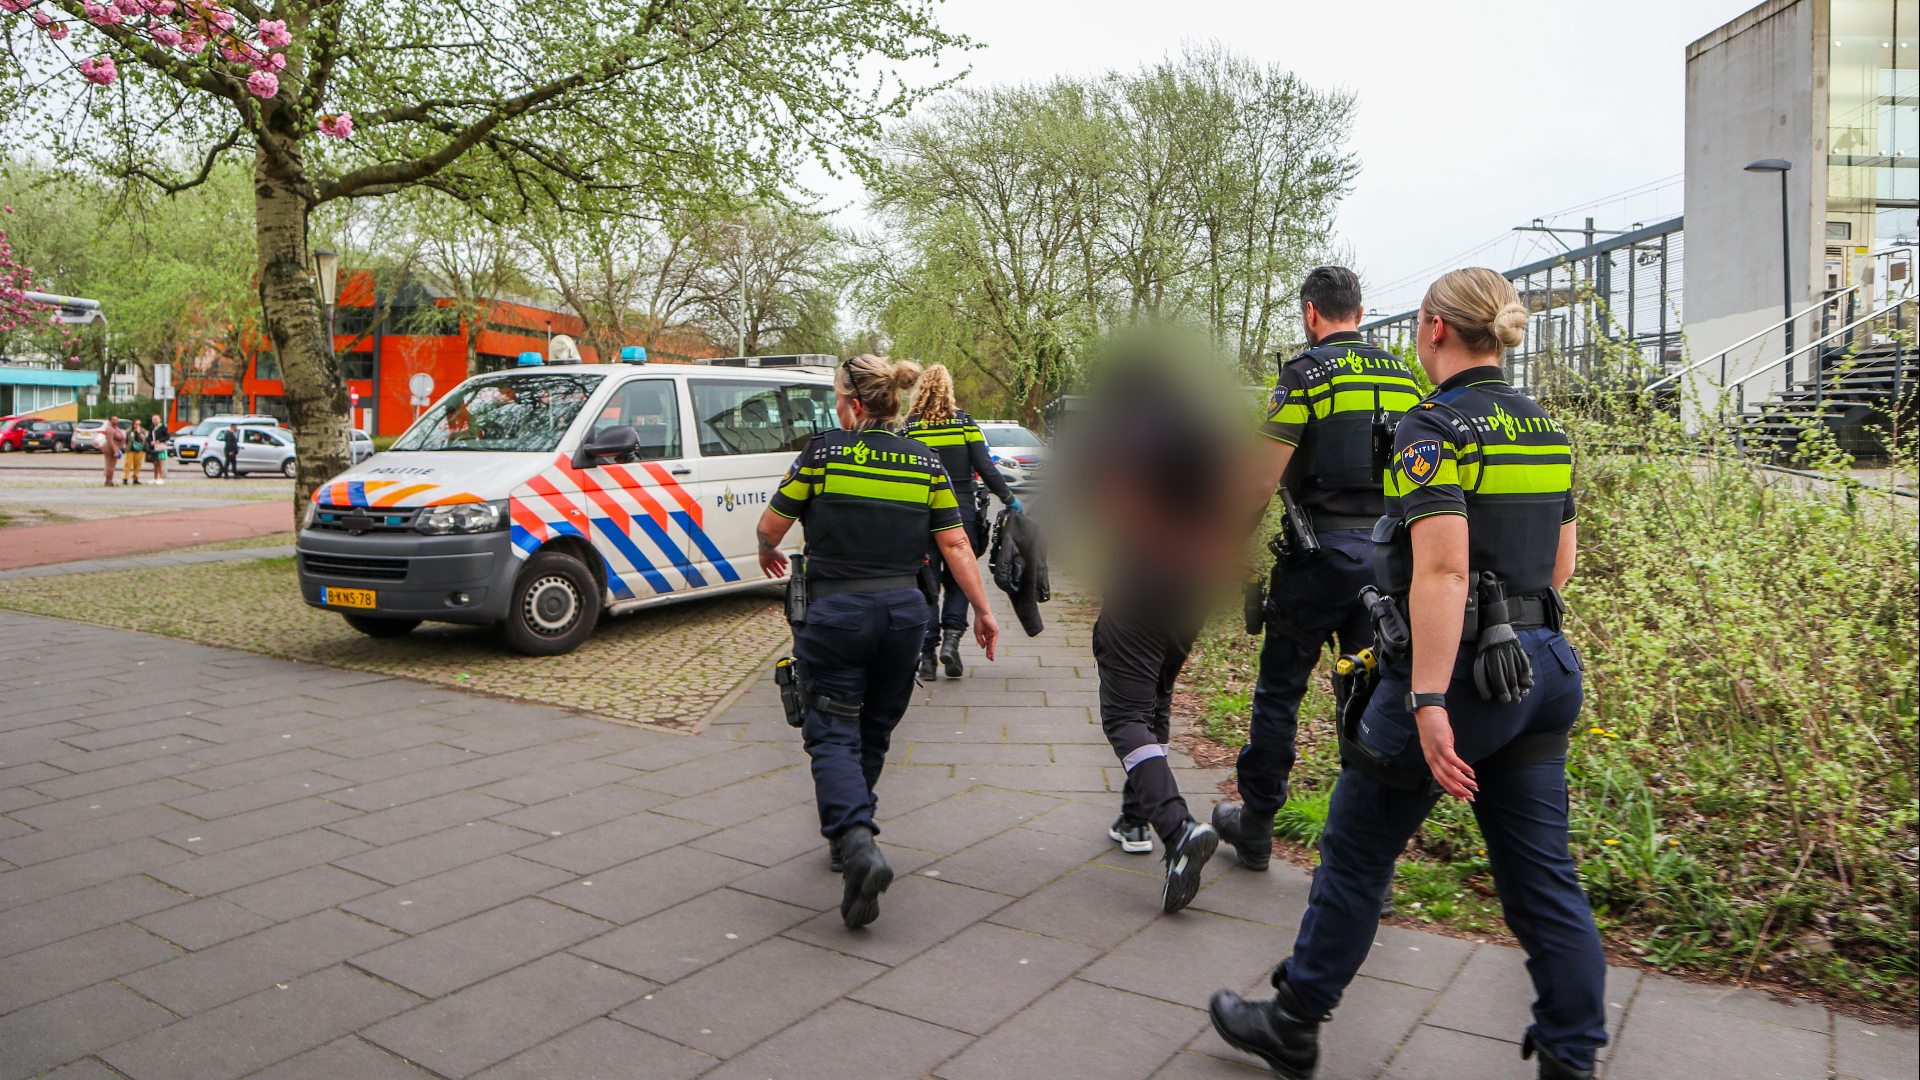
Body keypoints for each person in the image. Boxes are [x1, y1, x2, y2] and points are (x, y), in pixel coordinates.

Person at [1208, 268, 1604, 1080]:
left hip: (1457, 676)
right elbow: (1560, 565)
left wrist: (1429, 697)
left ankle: (1293, 1021)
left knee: (1355, 856)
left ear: (1432, 329)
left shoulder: (1435, 429)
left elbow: (1443, 573)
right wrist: (1514, 638)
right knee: (1543, 881)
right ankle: (1572, 1053)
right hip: (1543, 674)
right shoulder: (1547, 431)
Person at [754, 354, 1001, 930]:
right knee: (874, 730)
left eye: (839, 397)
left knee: (830, 731)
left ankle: (858, 840)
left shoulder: (822, 453)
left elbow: (772, 526)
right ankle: (849, 837)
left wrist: (767, 548)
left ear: (856, 404)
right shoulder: (926, 462)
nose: (836, 407)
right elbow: (956, 545)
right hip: (904, 617)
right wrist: (984, 612)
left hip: (836, 613)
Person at [1212, 267, 1421, 876]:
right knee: (1366, 702)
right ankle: (1361, 858)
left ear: (1311, 313)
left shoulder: (1304, 376)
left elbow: (1259, 480)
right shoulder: (1406, 380)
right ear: (1359, 309)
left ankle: (1255, 823)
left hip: (1317, 561)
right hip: (1384, 569)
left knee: (1280, 691)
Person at [901, 364, 1022, 680]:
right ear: (949, 390)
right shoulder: (964, 422)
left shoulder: (910, 426)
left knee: (925, 582)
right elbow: (986, 466)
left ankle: (926, 656)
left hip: (921, 515)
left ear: (920, 391)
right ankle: (951, 642)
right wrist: (1009, 499)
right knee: (958, 578)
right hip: (961, 514)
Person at [100, 415, 125, 487]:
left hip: (115, 448)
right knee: (110, 464)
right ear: (110, 420)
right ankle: (109, 481)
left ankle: (108, 480)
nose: (115, 421)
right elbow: (110, 441)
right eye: (113, 419)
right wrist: (115, 451)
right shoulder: (110, 429)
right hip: (110, 448)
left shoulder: (116, 428)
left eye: (116, 419)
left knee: (112, 464)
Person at [121, 420, 147, 485]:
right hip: (130, 450)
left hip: (139, 450)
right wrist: (125, 447)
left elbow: (144, 439)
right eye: (136, 424)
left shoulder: (142, 431)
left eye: (139, 424)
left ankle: (135, 478)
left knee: (137, 464)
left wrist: (139, 432)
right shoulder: (129, 431)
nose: (137, 425)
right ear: (133, 424)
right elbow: (125, 439)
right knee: (127, 464)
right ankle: (125, 478)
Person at [149, 413, 169, 485]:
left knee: (160, 463)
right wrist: (150, 441)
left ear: (159, 420)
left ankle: (161, 478)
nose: (155, 420)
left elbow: (167, 436)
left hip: (160, 447)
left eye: (156, 419)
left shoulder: (163, 427)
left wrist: (160, 440)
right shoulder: (152, 428)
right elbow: (149, 436)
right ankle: (155, 477)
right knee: (155, 463)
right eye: (153, 419)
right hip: (154, 447)